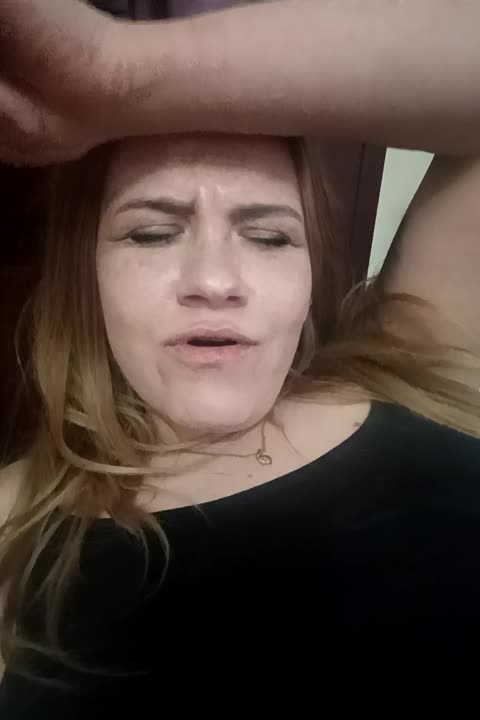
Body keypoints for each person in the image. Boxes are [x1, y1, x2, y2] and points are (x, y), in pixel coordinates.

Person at [0, 0, 479, 715]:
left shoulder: (411, 360)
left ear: (311, 270)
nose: (215, 281)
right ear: (87, 274)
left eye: (269, 237)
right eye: (152, 233)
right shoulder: (13, 523)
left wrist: (116, 74)